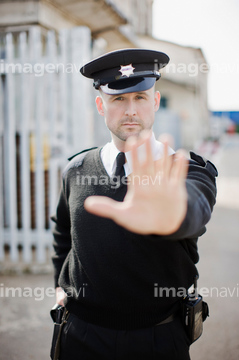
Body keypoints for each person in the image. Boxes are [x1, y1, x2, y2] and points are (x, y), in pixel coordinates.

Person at [50, 48, 217, 360]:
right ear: (101, 105)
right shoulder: (75, 170)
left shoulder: (187, 169)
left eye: (140, 97)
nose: (131, 110)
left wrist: (174, 215)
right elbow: (63, 233)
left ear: (155, 102)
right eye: (118, 99)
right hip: (81, 335)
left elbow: (196, 210)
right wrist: (60, 285)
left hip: (158, 338)